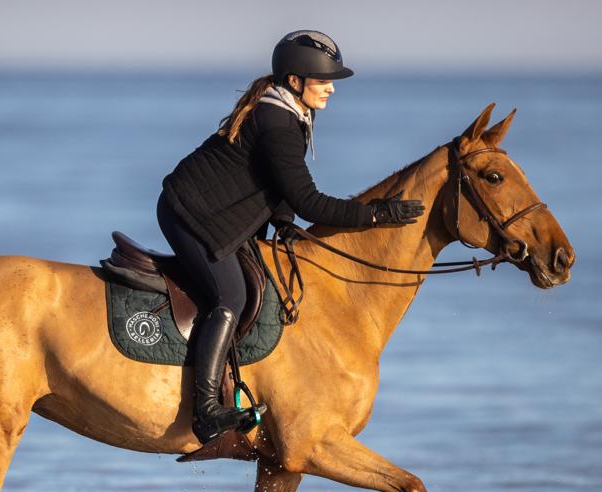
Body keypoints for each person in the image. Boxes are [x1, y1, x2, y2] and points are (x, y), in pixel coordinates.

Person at [158, 30, 426, 446]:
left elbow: (278, 184)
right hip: (190, 214)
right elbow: (309, 201)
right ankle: (207, 411)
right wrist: (375, 214)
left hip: (222, 214)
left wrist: (282, 223)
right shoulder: (279, 121)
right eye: (323, 81)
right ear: (295, 81)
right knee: (232, 297)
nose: (332, 89)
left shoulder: (291, 112)